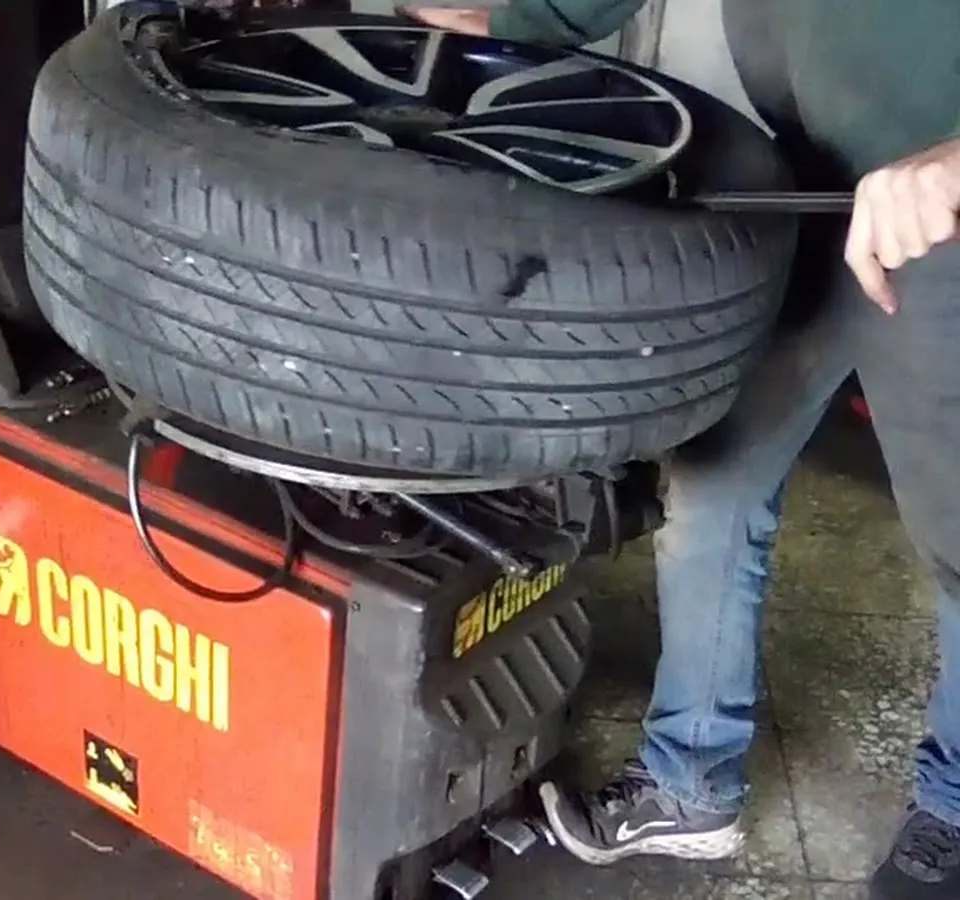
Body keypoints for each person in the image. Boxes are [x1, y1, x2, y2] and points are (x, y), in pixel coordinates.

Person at [399, 3, 960, 898]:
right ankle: (691, 779)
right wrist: (510, 16)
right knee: (716, 468)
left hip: (945, 217)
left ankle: (954, 808)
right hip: (817, 182)